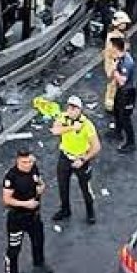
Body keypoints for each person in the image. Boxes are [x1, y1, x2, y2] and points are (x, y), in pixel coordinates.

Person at [3, 149, 54, 273]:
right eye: (24, 162)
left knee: (38, 242)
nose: (28, 165)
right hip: (17, 218)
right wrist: (26, 204)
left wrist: (42, 187)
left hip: (34, 216)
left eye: (30, 161)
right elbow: (6, 199)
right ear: (18, 161)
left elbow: (40, 182)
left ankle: (39, 262)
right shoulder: (11, 177)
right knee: (14, 248)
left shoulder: (33, 168)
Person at [50, 96, 100, 224]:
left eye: (74, 108)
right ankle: (65, 209)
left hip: (81, 159)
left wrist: (83, 159)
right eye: (69, 107)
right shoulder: (63, 117)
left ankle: (90, 212)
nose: (70, 110)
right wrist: (71, 128)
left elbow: (96, 147)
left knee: (85, 188)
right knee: (63, 186)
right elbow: (55, 130)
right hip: (65, 157)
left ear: (80, 110)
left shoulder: (87, 125)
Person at [112, 36, 137, 153]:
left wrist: (114, 70)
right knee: (116, 111)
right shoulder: (120, 59)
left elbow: (122, 81)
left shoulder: (127, 62)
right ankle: (117, 132)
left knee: (125, 117)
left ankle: (131, 143)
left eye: (114, 49)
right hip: (121, 91)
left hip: (128, 93)